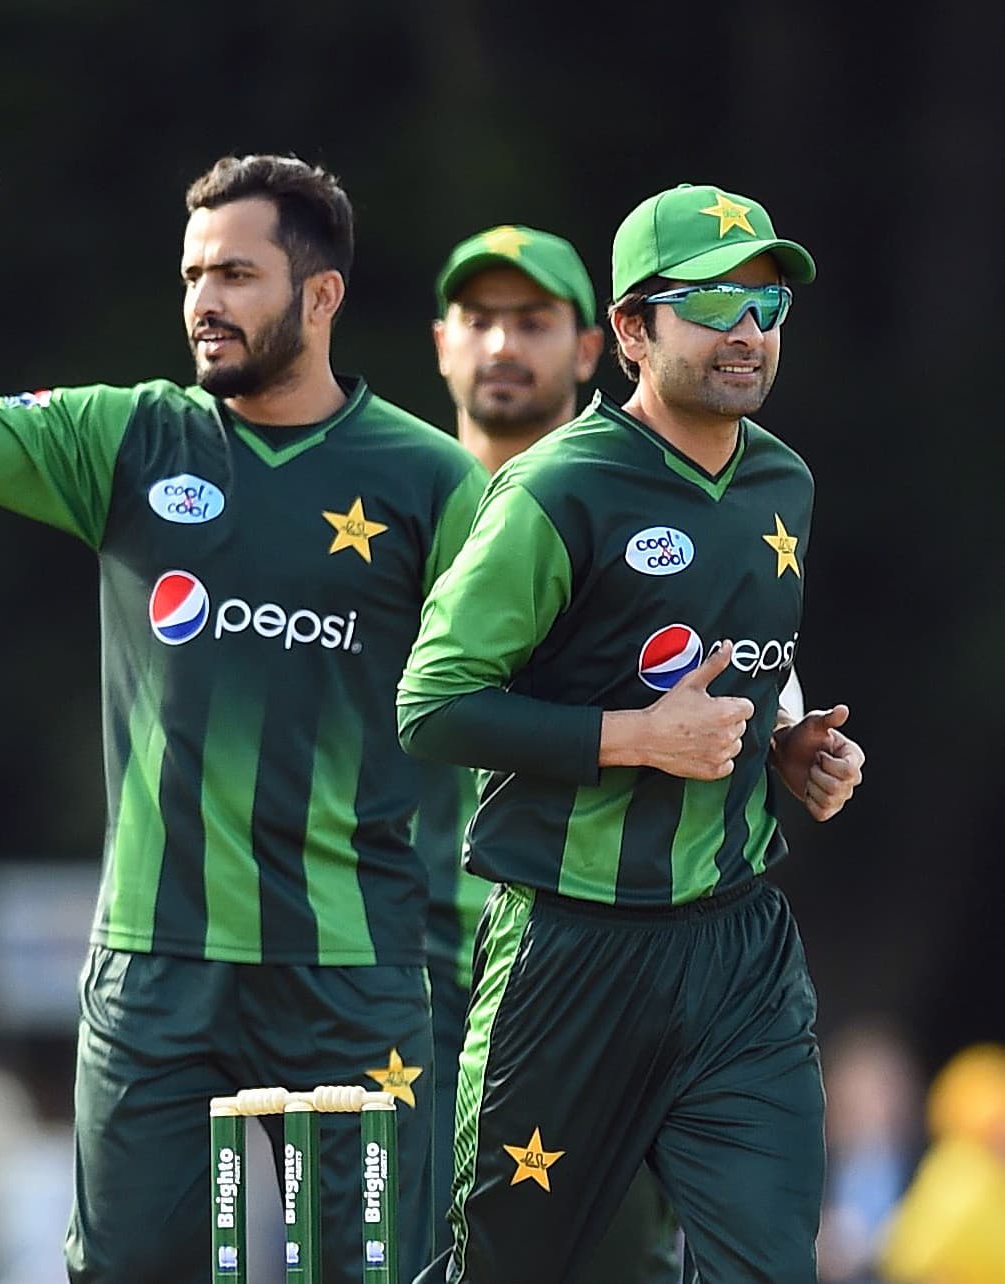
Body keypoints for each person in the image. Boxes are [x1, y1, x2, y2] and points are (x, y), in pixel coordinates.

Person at [0, 151, 485, 1283]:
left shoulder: (430, 482)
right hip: (157, 970)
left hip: (347, 973)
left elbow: (536, 668)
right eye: (193, 275)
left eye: (236, 274)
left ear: (321, 293)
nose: (203, 303)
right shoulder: (131, 437)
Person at [399, 184, 867, 1283]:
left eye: (766, 304)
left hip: (739, 952)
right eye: (710, 300)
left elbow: (741, 658)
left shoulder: (780, 480)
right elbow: (431, 705)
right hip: (572, 953)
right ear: (629, 330)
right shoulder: (558, 491)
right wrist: (639, 741)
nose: (746, 330)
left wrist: (787, 749)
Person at [422, 223, 681, 1282]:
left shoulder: (657, 508)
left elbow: (751, 706)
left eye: (532, 323)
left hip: (587, 967)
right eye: (479, 321)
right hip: (389, 969)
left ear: (590, 348)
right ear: (441, 342)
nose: (501, 346)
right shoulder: (382, 503)